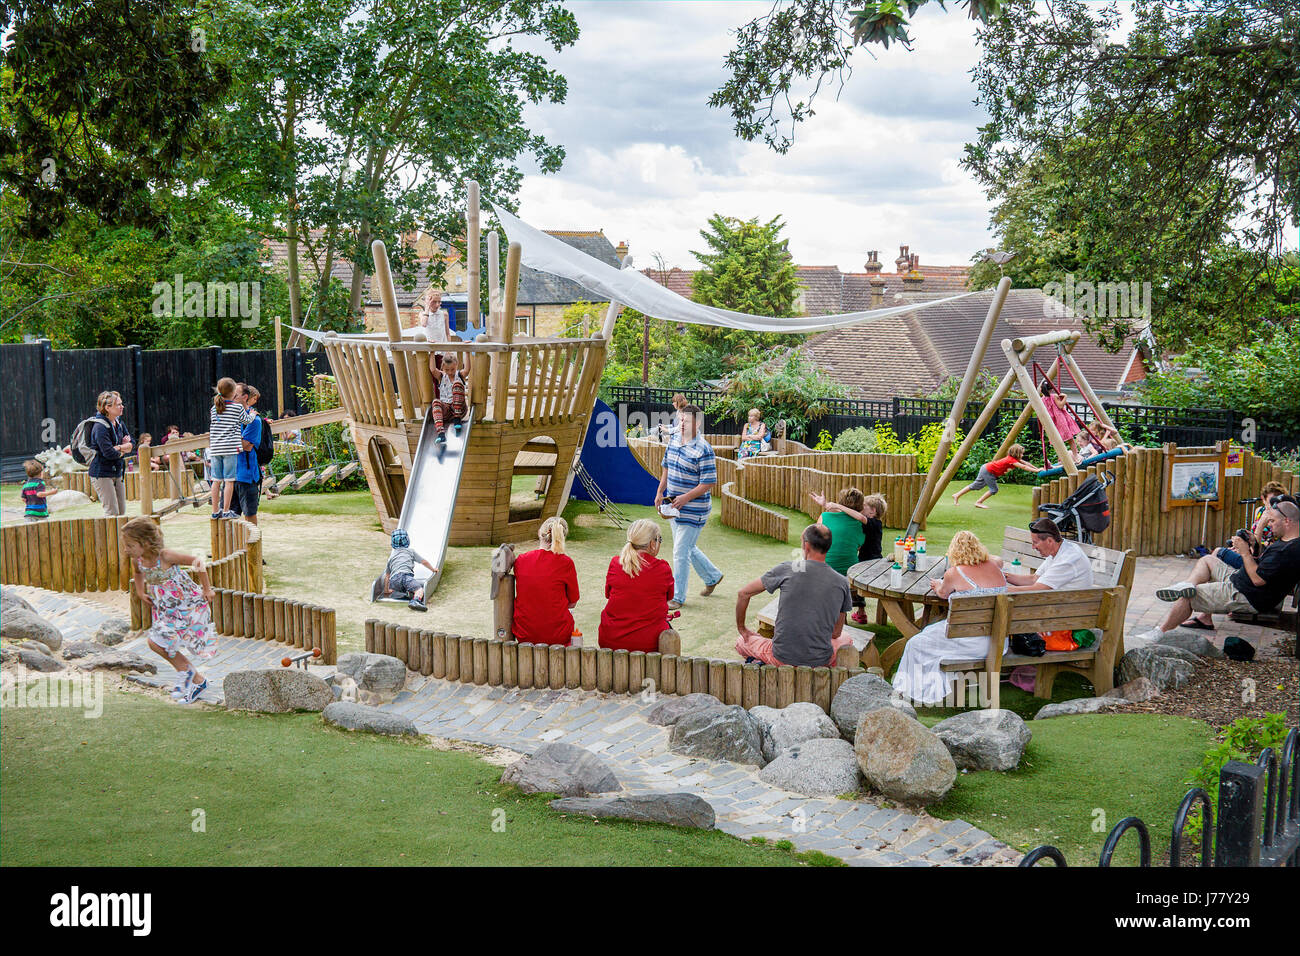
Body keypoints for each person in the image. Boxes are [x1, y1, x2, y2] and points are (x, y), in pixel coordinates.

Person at [1135, 499, 1300, 645]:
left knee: (1190, 595)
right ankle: (1187, 584)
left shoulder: (1287, 551)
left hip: (1247, 594)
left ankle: (1159, 633)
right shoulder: (1287, 542)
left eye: (1272, 521)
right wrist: (1252, 544)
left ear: (1287, 521)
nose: (1270, 524)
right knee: (1208, 560)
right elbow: (1263, 565)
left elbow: (1258, 579)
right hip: (1243, 580)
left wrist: (1244, 552)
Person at [891, 530, 1010, 706]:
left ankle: (906, 690)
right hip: (997, 641)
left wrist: (938, 584)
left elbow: (943, 593)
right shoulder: (995, 567)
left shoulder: (954, 573)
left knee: (916, 643)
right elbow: (996, 560)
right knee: (931, 632)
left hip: (968, 642)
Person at [123, 516, 217, 705]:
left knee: (157, 641)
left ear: (146, 543)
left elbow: (198, 562)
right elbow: (138, 574)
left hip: (185, 604)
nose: (126, 550)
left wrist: (207, 589)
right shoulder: (138, 560)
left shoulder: (165, 556)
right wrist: (140, 592)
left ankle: (190, 676)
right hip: (166, 608)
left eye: (129, 545)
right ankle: (193, 678)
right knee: (157, 643)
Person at [734, 523, 854, 667]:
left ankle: (761, 660)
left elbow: (743, 594)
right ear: (828, 546)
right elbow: (836, 633)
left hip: (781, 657)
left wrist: (742, 629)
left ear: (807, 546)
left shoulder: (788, 569)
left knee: (741, 641)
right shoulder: (842, 582)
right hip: (820, 660)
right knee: (847, 639)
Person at [655, 404, 723, 609]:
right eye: (680, 419)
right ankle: (713, 576)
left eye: (686, 420)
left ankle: (677, 597)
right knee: (686, 548)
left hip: (695, 510)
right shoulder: (674, 440)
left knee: (680, 551)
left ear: (698, 422)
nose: (682, 423)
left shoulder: (704, 448)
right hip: (674, 507)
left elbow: (709, 482)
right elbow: (666, 467)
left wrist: (685, 498)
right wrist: (660, 492)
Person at [810, 488, 886, 623]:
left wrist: (830, 505)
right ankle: (859, 611)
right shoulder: (859, 525)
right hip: (855, 568)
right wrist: (828, 504)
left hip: (829, 569)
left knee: (852, 576)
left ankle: (842, 614)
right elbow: (857, 544)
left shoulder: (826, 517)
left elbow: (817, 537)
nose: (863, 509)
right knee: (853, 573)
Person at [598, 518, 674, 653]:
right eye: (659, 540)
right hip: (648, 643)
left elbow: (608, 594)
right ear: (652, 543)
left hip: (610, 639)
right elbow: (669, 596)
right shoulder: (663, 568)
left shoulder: (616, 563)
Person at [512, 517, 579, 644]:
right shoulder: (566, 563)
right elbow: (573, 602)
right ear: (562, 536)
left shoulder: (521, 560)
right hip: (557, 635)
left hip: (525, 633)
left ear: (539, 532)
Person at [1002, 517, 1095, 592]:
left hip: (1069, 611)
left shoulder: (1068, 559)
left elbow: (1037, 589)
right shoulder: (1059, 550)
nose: (1033, 547)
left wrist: (998, 590)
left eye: (1035, 542)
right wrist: (1002, 575)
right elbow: (1033, 579)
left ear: (1049, 541)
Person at [209, 376, 250, 518]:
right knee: (229, 481)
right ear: (233, 393)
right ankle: (226, 511)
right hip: (230, 449)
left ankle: (215, 511)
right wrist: (253, 413)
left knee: (216, 480)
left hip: (215, 449)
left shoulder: (214, 409)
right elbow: (247, 420)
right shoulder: (237, 407)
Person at [88, 390, 132, 516]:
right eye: (118, 404)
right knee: (112, 513)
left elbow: (132, 442)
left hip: (117, 471)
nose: (122, 407)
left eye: (121, 404)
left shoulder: (119, 423)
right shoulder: (100, 427)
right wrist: (123, 448)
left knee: (122, 512)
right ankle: (112, 536)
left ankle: (120, 536)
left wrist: (118, 447)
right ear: (107, 407)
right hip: (101, 473)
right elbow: (109, 453)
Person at [952, 444, 1038, 509]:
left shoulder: (1015, 459)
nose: (1022, 455)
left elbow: (1026, 463)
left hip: (986, 469)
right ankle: (978, 502)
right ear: (1016, 453)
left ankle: (957, 495)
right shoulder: (1011, 460)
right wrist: (1036, 471)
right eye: (1021, 454)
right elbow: (1023, 467)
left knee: (975, 485)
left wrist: (1037, 468)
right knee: (994, 489)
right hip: (988, 471)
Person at [374, 528, 437, 611]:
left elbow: (387, 576)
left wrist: (386, 590)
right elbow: (423, 562)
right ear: (407, 540)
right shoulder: (410, 551)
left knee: (404, 587)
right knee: (419, 589)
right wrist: (433, 569)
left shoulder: (391, 557)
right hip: (405, 577)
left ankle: (407, 593)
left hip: (394, 581)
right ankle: (415, 601)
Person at [230, 383, 264, 525]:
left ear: (245, 397)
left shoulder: (254, 421)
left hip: (246, 475)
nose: (230, 397)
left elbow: (246, 446)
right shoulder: (229, 417)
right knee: (228, 516)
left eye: (235, 395)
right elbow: (241, 444)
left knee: (249, 515)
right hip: (229, 475)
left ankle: (252, 546)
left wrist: (226, 440)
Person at [427, 351, 468, 446]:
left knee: (457, 385)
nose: (450, 372)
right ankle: (441, 433)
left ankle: (457, 419)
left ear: (456, 365)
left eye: (452, 369)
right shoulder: (441, 377)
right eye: (447, 370)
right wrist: (432, 352)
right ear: (443, 368)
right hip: (447, 411)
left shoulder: (460, 375)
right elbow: (433, 370)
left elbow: (467, 369)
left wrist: (467, 352)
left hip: (459, 410)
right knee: (436, 402)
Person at [1040, 379, 1083, 453]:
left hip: (1051, 421)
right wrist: (1065, 397)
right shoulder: (1054, 396)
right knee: (1070, 438)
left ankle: (1061, 457)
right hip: (1060, 419)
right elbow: (1060, 406)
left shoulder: (1042, 399)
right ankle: (1075, 454)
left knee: (1057, 441)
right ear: (1051, 389)